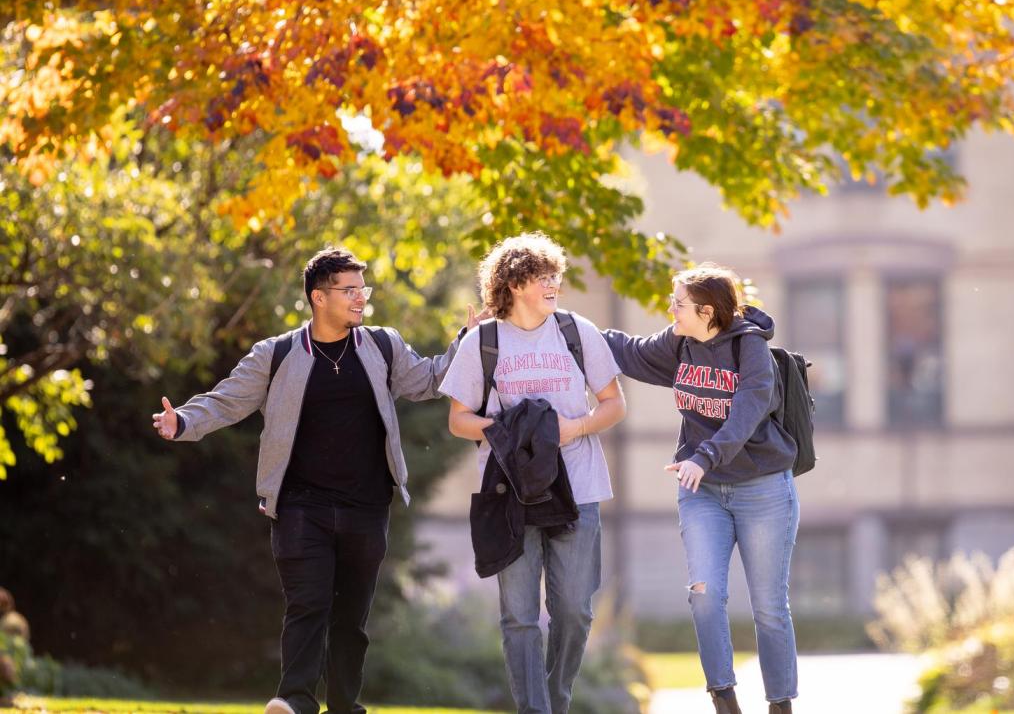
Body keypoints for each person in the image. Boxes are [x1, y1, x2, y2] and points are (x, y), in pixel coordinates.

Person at [150, 247, 466, 714]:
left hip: (366, 506)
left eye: (364, 289)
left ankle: (344, 706)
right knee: (308, 605)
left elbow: (428, 380)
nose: (361, 299)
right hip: (300, 506)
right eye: (351, 290)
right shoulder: (276, 355)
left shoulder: (382, 346)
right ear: (319, 297)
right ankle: (295, 702)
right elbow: (227, 400)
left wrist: (468, 341)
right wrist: (183, 422)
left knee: (351, 620)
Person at [439, 232, 626, 714]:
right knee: (520, 616)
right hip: (510, 494)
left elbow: (613, 404)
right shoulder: (483, 341)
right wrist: (513, 431)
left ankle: (556, 698)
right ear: (516, 282)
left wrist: (572, 428)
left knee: (575, 611)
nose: (554, 285)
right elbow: (458, 420)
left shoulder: (576, 331)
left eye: (556, 276)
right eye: (544, 277)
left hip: (578, 488)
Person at [602, 263, 799, 714]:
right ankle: (723, 698)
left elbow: (746, 414)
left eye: (679, 304)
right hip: (703, 491)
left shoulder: (752, 349)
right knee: (705, 596)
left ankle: (780, 705)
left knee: (769, 608)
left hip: (762, 490)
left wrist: (705, 456)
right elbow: (628, 351)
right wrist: (564, 325)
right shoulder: (680, 343)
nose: (671, 310)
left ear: (707, 311)